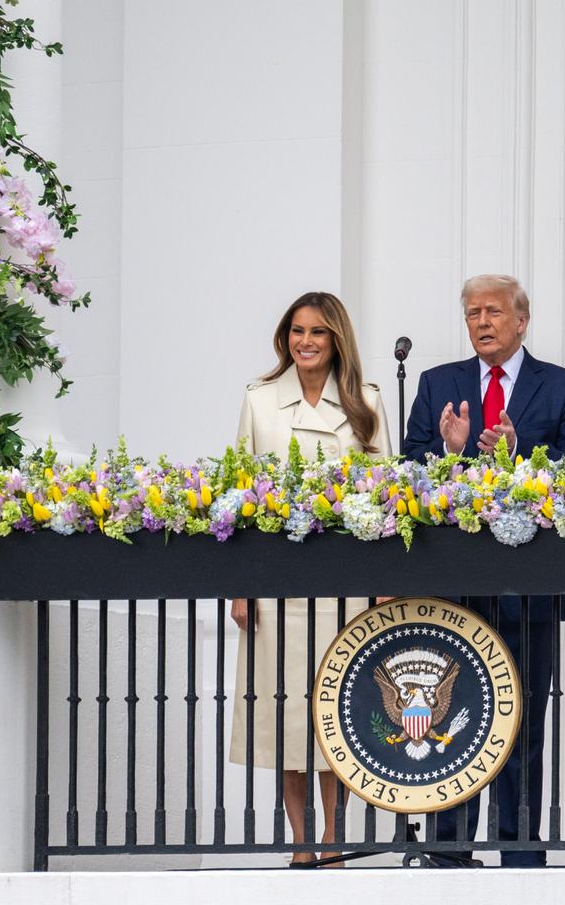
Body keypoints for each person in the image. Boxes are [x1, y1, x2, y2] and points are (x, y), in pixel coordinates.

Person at [402, 274, 565, 866]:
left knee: (520, 729)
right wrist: (453, 454)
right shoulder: (439, 385)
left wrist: (517, 456)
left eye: (492, 311)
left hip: (528, 592)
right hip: (454, 592)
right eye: (472, 313)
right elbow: (408, 467)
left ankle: (521, 857)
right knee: (451, 724)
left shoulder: (562, 388)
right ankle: (450, 852)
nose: (481, 322)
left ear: (521, 320)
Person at [228, 291, 391, 865]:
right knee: (287, 715)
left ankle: (334, 837)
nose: (305, 341)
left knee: (337, 716)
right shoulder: (259, 399)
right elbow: (239, 497)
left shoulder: (365, 401)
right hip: (278, 585)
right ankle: (301, 843)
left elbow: (382, 498)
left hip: (344, 587)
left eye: (317, 332)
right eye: (297, 331)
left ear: (336, 340)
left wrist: (382, 584)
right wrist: (241, 586)